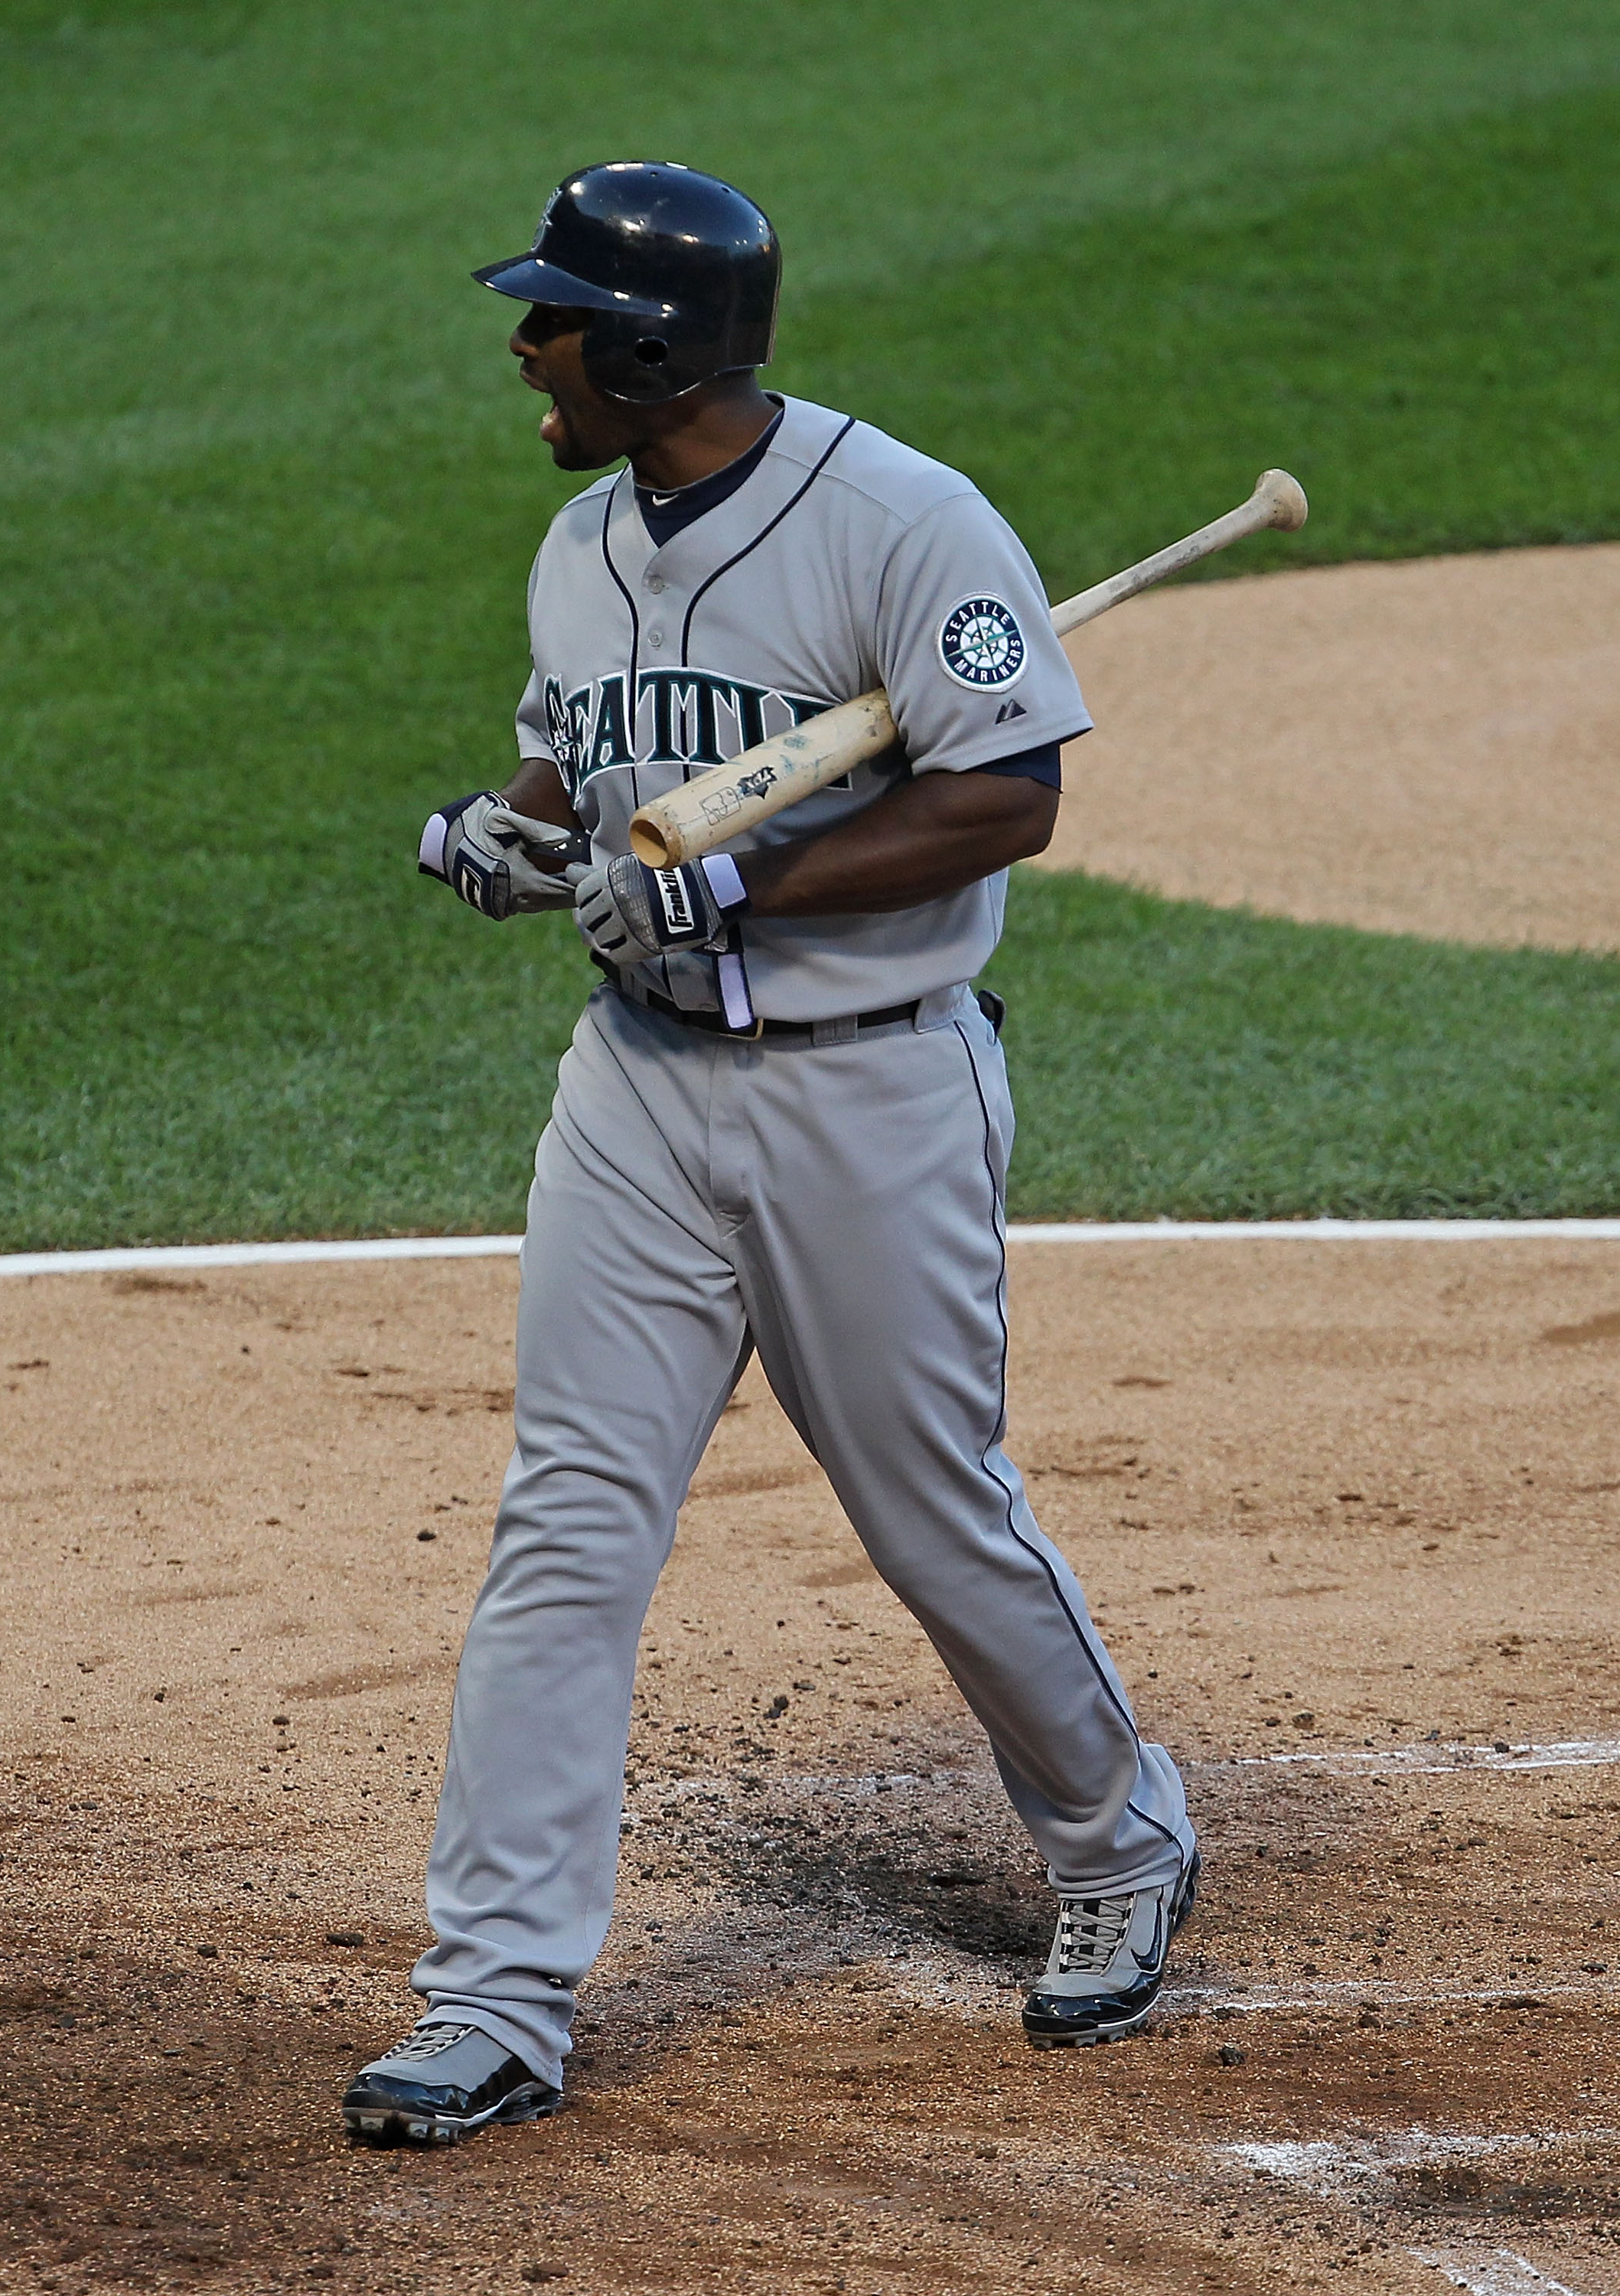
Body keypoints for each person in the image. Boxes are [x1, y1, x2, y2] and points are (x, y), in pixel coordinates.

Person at [343, 161, 1196, 2147]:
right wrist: (519, 828)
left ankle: (1111, 1832)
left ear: (645, 348)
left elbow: (1004, 801)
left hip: (864, 1090)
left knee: (927, 1512)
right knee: (566, 1522)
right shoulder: (579, 538)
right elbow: (587, 751)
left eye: (549, 317)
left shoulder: (904, 522)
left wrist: (765, 893)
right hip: (634, 1095)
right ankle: (493, 1994)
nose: (520, 345)